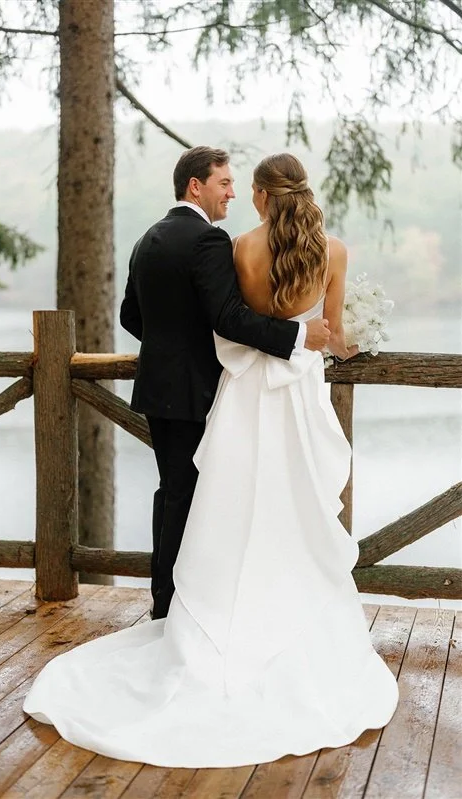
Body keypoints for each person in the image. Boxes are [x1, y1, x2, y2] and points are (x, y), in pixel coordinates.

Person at [23, 152, 398, 767]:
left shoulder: (235, 248)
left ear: (259, 194)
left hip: (242, 395)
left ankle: (191, 612)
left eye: (240, 186)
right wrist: (358, 334)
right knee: (293, 509)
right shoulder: (332, 251)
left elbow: (210, 320)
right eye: (221, 182)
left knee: (220, 502)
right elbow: (333, 340)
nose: (232, 193)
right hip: (297, 396)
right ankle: (284, 611)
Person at [119, 146, 330, 619]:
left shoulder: (147, 238)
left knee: (172, 492)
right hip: (196, 391)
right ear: (196, 185)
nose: (232, 193)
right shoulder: (209, 241)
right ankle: (179, 609)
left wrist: (171, 347)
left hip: (156, 388)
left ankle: (167, 602)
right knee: (193, 498)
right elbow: (229, 318)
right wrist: (298, 334)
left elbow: (131, 316)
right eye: (224, 184)